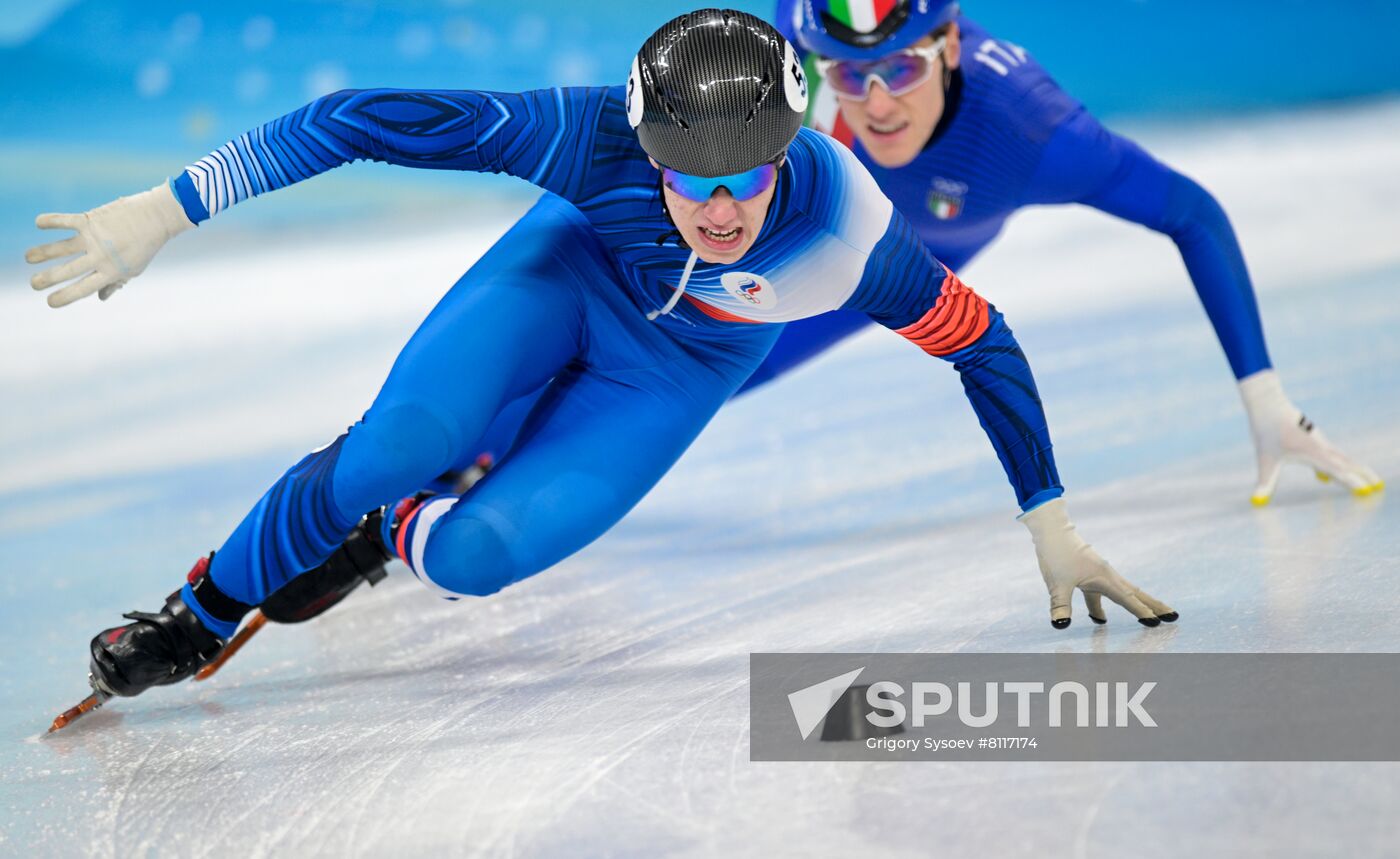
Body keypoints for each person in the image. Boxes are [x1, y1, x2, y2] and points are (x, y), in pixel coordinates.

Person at [27, 9, 1174, 704]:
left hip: (677, 368)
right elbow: (353, 117)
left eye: (744, 182)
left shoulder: (848, 238)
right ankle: (205, 609)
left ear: (788, 153)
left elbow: (982, 345)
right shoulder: (587, 135)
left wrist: (1047, 517)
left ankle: (386, 532)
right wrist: (171, 208)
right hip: (564, 273)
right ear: (647, 148)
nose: (719, 212)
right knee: (399, 444)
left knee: (472, 557)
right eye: (688, 181)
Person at [755, 0, 1382, 507]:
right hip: (824, 219)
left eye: (902, 70)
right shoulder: (796, 49)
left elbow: (1192, 214)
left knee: (732, 367)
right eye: (846, 74)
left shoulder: (1034, 132)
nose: (878, 104)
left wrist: (1264, 395)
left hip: (925, 242)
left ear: (948, 46)